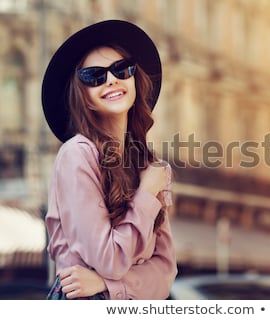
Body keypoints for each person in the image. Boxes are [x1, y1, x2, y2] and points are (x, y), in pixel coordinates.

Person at [41, 20, 177, 300]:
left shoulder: (148, 165)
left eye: (121, 69)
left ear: (134, 79)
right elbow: (109, 261)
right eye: (94, 76)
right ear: (85, 96)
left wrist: (107, 284)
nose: (112, 80)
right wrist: (147, 193)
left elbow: (165, 272)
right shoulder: (77, 154)